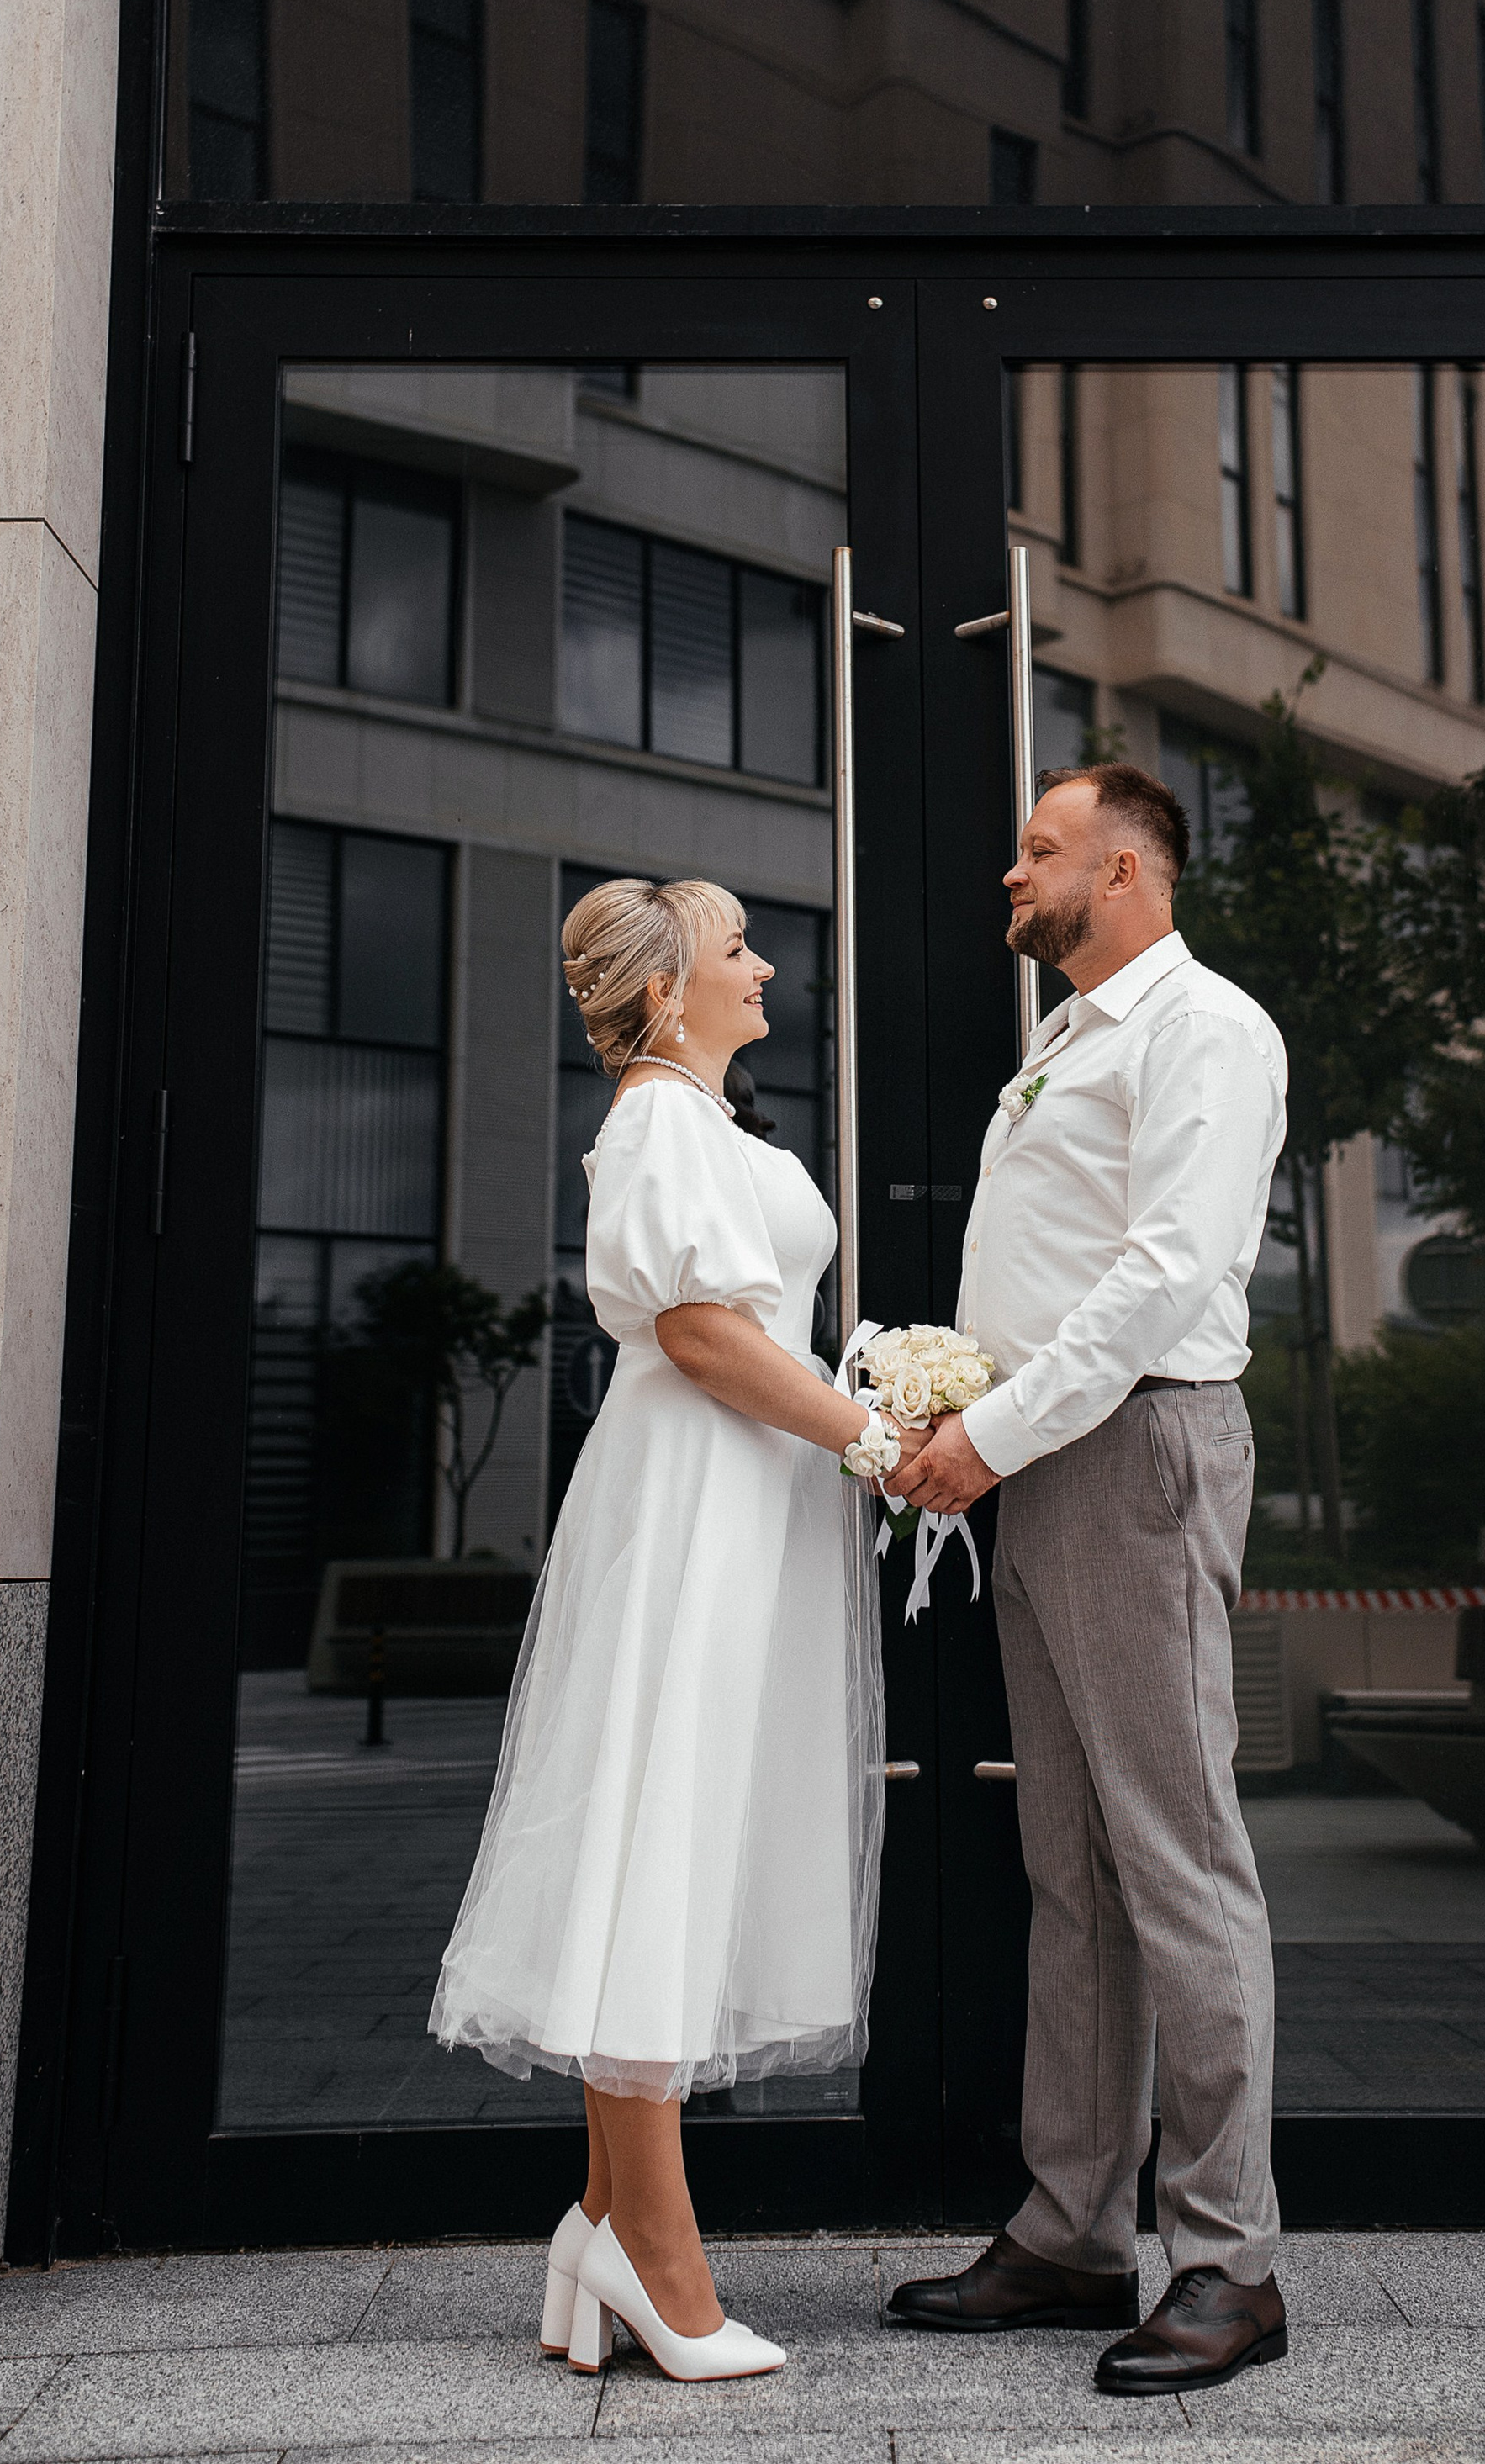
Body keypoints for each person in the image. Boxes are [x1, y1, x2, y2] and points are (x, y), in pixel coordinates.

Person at [431, 875, 907, 2385]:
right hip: (692, 1508)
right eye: (734, 946)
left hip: (739, 1505)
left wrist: (849, 1414)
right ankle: (660, 2262)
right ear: (664, 990)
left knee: (681, 1828)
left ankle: (598, 2224)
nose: (764, 962)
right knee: (660, 1834)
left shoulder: (701, 1125)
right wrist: (872, 1435)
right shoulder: (652, 1122)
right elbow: (704, 1335)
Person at [886, 764, 1291, 2398]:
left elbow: (1159, 1273)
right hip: (1042, 1459)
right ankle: (1069, 2226)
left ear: (1123, 866)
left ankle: (1226, 2259)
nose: (1012, 867)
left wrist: (984, 1427)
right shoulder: (1063, 1038)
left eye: (1040, 847)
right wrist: (955, 1418)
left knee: (1178, 1861)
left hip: (1131, 1450)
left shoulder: (1208, 1027)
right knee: (1073, 1867)